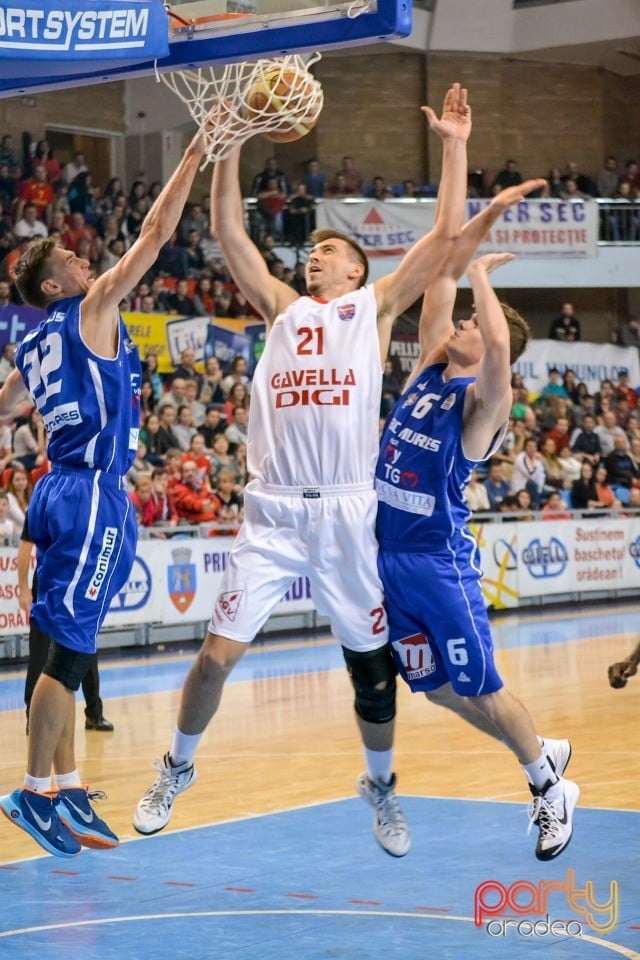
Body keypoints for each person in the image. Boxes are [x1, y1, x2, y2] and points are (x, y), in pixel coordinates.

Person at [133, 82, 474, 858]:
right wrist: (230, 141)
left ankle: (382, 789)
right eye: (312, 251)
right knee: (216, 656)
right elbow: (225, 227)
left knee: (371, 669)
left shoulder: (376, 310)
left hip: (350, 511)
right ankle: (175, 767)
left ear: (355, 272)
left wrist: (453, 145)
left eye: (329, 252)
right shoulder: (281, 309)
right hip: (275, 511)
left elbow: (449, 234)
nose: (314, 255)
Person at [0, 124, 209, 859]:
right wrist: (192, 153)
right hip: (88, 490)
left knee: (66, 643)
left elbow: (4, 404)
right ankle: (31, 789)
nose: (86, 258)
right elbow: (154, 233)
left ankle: (64, 789)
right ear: (54, 285)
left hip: (65, 488)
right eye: (71, 258)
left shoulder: (30, 340)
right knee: (69, 653)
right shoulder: (88, 311)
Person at [375, 185, 578, 861]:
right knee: (435, 691)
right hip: (390, 562)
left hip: (439, 563)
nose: (457, 322)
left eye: (468, 321)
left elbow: (495, 342)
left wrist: (487, 278)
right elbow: (440, 274)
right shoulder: (429, 369)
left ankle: (547, 785)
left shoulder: (482, 405)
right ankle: (542, 751)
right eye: (460, 318)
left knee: (484, 690)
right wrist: (455, 151)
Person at [18, 516, 114, 733]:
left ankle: (94, 713)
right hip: (48, 583)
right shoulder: (44, 497)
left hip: (80, 581)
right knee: (40, 651)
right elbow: (25, 544)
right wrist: (23, 587)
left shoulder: (89, 499)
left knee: (85, 646)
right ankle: (32, 717)